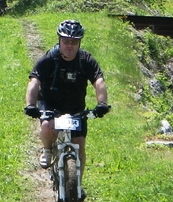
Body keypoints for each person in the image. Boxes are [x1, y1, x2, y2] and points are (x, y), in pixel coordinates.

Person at [24, 19, 110, 174]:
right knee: (47, 127)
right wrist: (31, 105)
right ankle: (47, 149)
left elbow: (99, 81)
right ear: (59, 40)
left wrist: (102, 103)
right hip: (50, 103)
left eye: (74, 42)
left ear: (79, 42)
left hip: (75, 106)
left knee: (79, 143)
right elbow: (34, 81)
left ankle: (77, 183)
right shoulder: (49, 58)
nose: (70, 45)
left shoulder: (86, 60)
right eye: (66, 41)